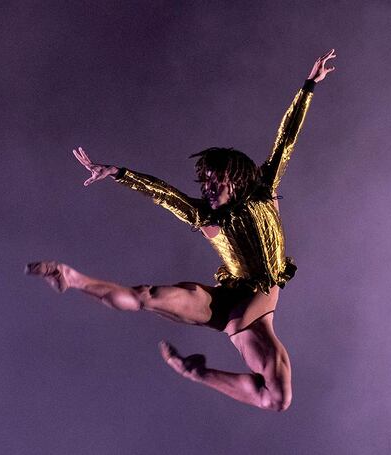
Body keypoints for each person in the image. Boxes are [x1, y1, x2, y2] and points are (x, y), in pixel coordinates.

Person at [26, 49, 336, 411]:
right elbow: (164, 194)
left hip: (236, 311)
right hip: (237, 302)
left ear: (234, 180)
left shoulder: (263, 187)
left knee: (277, 399)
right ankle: (72, 278)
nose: (206, 191)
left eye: (213, 183)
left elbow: (286, 139)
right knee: (144, 297)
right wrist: (119, 173)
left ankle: (194, 372)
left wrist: (308, 86)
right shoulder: (206, 215)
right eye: (203, 184)